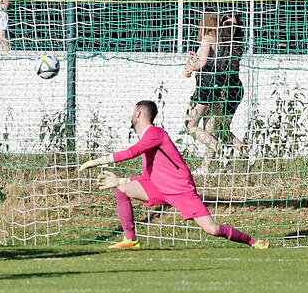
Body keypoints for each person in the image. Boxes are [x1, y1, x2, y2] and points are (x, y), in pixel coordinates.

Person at [79, 100, 269, 251]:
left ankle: (252, 242)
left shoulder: (155, 133)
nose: (131, 116)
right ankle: (130, 239)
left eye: (132, 112)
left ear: (138, 113)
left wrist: (95, 161)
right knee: (122, 190)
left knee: (212, 229)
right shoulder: (147, 139)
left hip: (181, 191)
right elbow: (148, 177)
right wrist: (120, 180)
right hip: (159, 189)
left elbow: (131, 152)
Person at [184, 9, 221, 175]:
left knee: (189, 125)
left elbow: (204, 63)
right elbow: (209, 62)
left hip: (205, 87)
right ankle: (205, 168)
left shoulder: (207, 38)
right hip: (216, 86)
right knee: (209, 127)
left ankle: (218, 147)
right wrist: (196, 57)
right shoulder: (219, 39)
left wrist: (192, 65)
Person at [211, 13, 248, 158]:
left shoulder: (236, 46)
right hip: (217, 88)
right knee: (216, 127)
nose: (229, 27)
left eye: (233, 25)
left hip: (231, 89)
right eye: (226, 23)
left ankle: (244, 153)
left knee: (221, 127)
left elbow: (228, 69)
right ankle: (225, 158)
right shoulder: (217, 42)